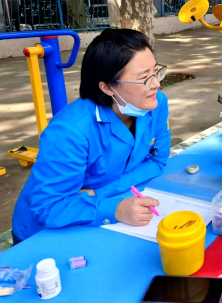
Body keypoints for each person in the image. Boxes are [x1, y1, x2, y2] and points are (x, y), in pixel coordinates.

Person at [12, 29, 171, 243]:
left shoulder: (156, 104)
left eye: (156, 71)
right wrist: (115, 209)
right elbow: (49, 207)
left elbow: (158, 161)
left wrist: (98, 193)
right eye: (144, 78)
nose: (157, 84)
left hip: (97, 207)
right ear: (107, 87)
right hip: (42, 234)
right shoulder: (70, 132)